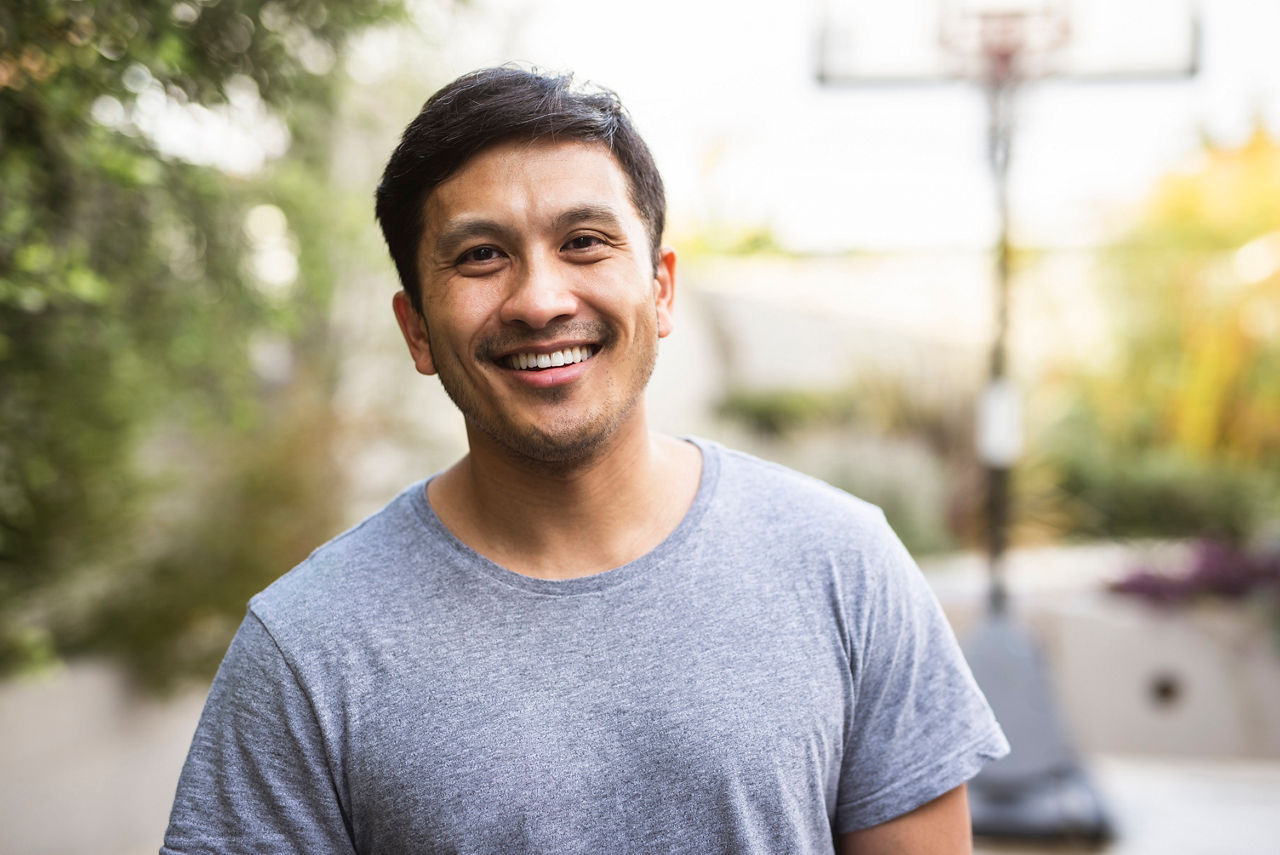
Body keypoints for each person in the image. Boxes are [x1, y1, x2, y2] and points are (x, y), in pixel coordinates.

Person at [161, 66, 1008, 855]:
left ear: (662, 288)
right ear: (416, 327)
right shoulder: (309, 647)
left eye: (586, 241)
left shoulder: (843, 564)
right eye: (481, 255)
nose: (539, 299)